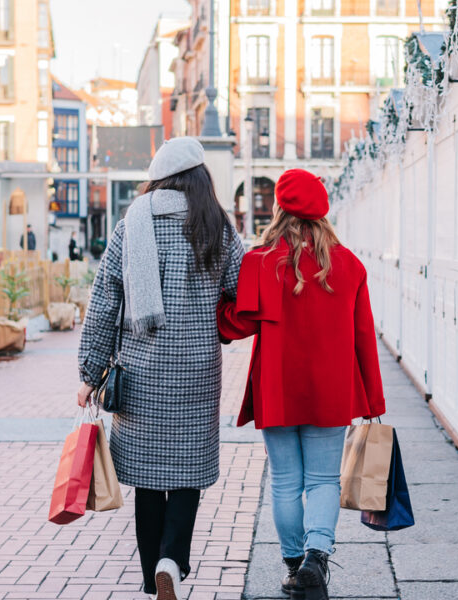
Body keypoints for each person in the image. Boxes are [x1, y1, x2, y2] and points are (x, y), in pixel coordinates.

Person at [76, 137, 245, 600]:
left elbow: (104, 302)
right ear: (199, 178)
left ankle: (153, 577)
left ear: (158, 177)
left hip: (140, 371)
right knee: (187, 473)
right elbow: (240, 290)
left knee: (149, 480)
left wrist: (90, 373)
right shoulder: (217, 226)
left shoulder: (132, 224)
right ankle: (173, 558)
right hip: (196, 372)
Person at [216, 169, 386, 600]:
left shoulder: (260, 262)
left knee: (286, 481)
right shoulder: (348, 265)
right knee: (324, 480)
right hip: (331, 390)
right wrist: (374, 400)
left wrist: (219, 302)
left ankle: (295, 567)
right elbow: (365, 335)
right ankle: (317, 556)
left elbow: (235, 326)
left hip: (278, 387)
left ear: (279, 209)